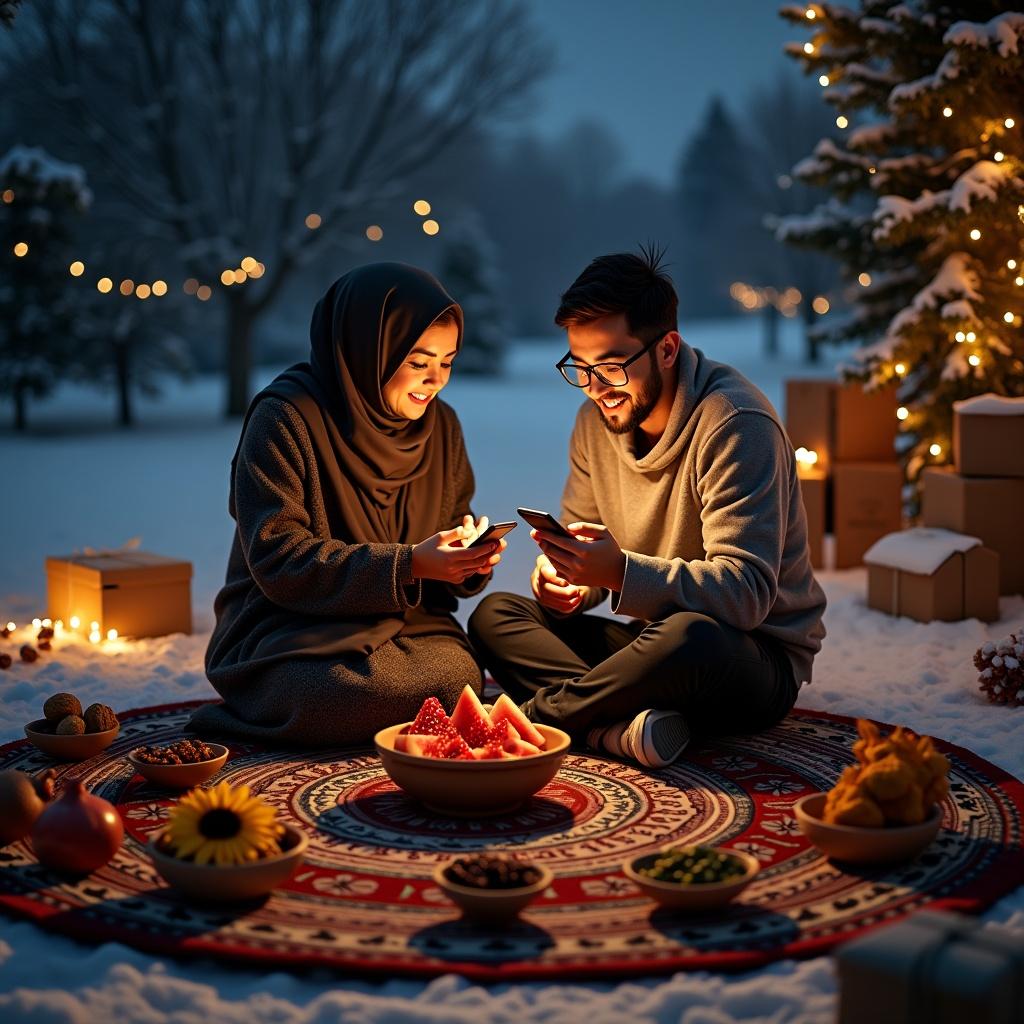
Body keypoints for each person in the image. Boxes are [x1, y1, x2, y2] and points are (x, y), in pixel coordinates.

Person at [469, 248, 826, 769]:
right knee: (496, 615)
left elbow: (747, 595)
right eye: (580, 368)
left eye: (611, 366)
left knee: (690, 636)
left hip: (747, 657)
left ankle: (534, 719)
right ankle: (616, 730)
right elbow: (591, 551)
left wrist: (618, 571)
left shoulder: (735, 423)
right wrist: (572, 580)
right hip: (647, 644)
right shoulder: (595, 423)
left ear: (667, 349)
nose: (596, 389)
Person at [191, 263, 504, 746]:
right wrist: (409, 564)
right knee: (341, 693)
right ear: (366, 351)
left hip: (407, 628)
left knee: (456, 680)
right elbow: (279, 560)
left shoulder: (442, 426)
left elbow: (450, 523)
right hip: (289, 631)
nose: (435, 380)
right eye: (418, 363)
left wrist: (467, 560)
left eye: (448, 362)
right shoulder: (285, 419)